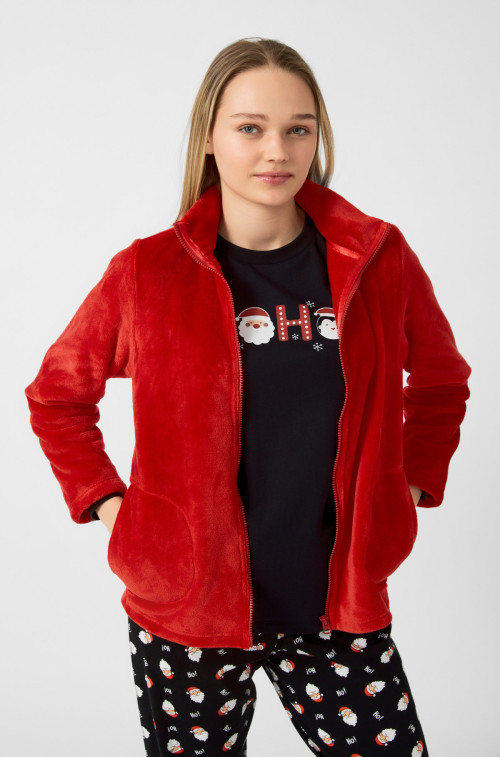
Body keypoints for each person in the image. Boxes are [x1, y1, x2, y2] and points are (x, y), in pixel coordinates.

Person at [24, 37, 471, 757]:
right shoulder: (149, 273)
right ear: (210, 137)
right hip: (189, 611)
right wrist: (111, 507)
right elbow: (56, 398)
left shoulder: (376, 258)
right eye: (250, 127)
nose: (277, 151)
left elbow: (443, 381)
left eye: (298, 128)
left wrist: (406, 488)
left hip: (337, 607)